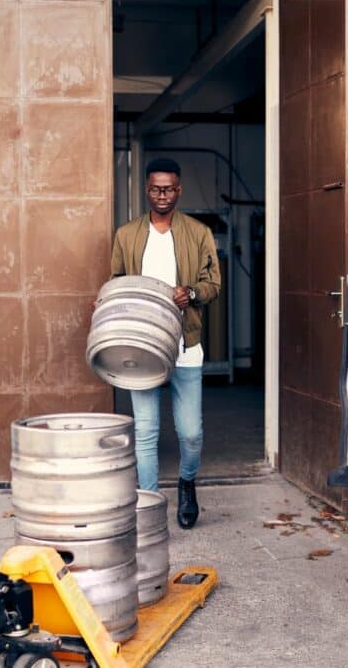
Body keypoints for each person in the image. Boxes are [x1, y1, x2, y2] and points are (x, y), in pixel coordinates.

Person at [110, 157, 220, 529]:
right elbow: (116, 281)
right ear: (146, 189)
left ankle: (187, 482)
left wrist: (191, 292)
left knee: (191, 433)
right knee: (146, 432)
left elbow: (214, 285)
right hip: (141, 347)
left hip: (185, 345)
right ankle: (151, 506)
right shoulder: (126, 235)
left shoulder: (198, 232)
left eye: (169, 189)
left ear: (179, 190)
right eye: (156, 188)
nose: (162, 195)